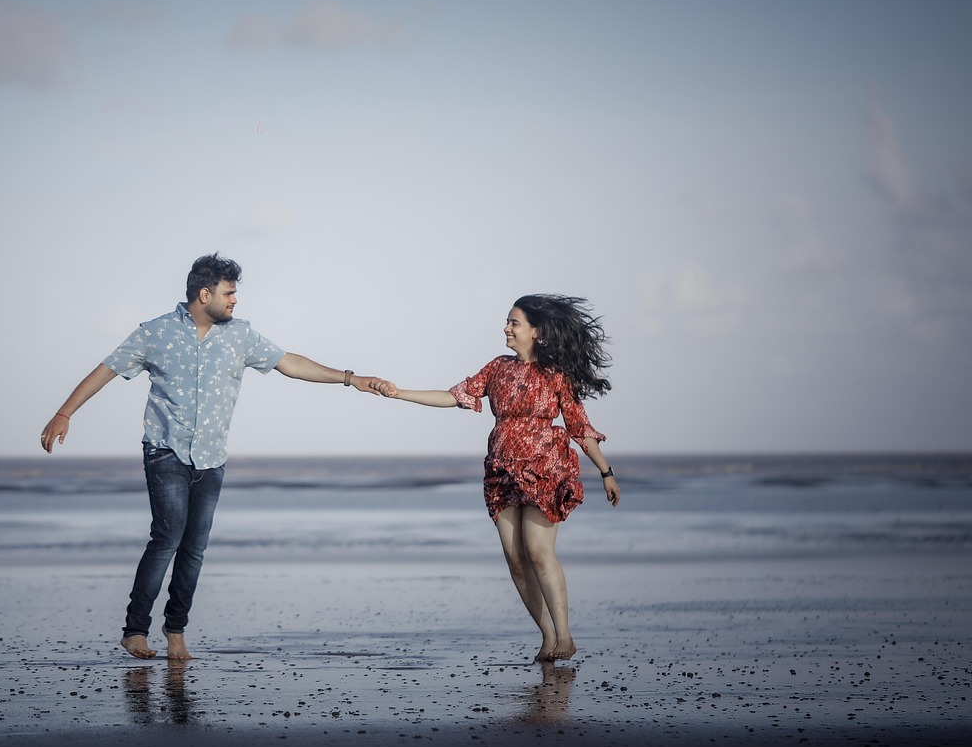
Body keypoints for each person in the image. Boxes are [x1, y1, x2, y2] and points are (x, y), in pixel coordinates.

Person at [40, 253, 390, 661]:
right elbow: (106, 369)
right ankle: (135, 630)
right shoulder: (155, 333)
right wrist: (65, 412)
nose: (235, 301)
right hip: (165, 450)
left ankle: (175, 633)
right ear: (204, 294)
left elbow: (289, 363)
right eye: (229, 293)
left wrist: (351, 379)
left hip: (211, 459)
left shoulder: (240, 335)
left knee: (195, 548)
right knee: (167, 537)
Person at [373, 294, 620, 662]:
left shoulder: (556, 375)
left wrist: (606, 472)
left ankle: (565, 637)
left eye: (514, 322)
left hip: (545, 469)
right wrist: (400, 393)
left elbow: (579, 427)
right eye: (507, 322)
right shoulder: (498, 368)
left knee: (538, 552)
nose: (506, 328)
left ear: (535, 331)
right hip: (502, 469)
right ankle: (548, 636)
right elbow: (454, 396)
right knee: (515, 557)